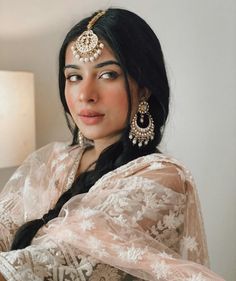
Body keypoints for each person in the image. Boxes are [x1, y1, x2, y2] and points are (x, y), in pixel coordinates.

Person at [0, 8, 224, 281]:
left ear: (143, 87)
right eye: (74, 77)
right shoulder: (50, 161)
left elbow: (61, 263)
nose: (85, 94)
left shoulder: (161, 177)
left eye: (107, 75)